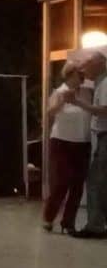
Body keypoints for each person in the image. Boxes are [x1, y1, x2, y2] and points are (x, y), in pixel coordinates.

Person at [42, 62, 92, 234]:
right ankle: (49, 218)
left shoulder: (85, 94)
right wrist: (63, 102)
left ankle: (68, 222)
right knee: (61, 183)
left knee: (77, 185)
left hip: (82, 143)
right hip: (61, 142)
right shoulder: (59, 92)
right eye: (80, 75)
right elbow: (49, 113)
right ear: (70, 75)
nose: (82, 78)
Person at [65, 51, 107, 238]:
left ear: (100, 64)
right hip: (101, 137)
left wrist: (78, 102)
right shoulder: (99, 84)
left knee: (96, 182)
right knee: (100, 182)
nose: (84, 70)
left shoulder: (105, 84)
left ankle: (95, 226)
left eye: (87, 65)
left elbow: (104, 111)